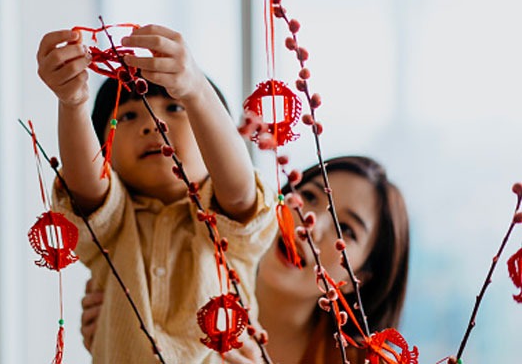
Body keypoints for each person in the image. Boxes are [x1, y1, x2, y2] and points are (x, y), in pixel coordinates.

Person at [36, 24, 277, 363]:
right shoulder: (112, 222)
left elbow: (239, 194)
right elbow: (86, 185)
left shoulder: (225, 226)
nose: (151, 124)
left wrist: (195, 90)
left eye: (175, 108)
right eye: (128, 115)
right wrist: (73, 102)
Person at [81, 156, 410, 364]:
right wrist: (117, 328)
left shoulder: (355, 360)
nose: (310, 224)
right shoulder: (175, 279)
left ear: (362, 276)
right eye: (308, 196)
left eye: (347, 229)